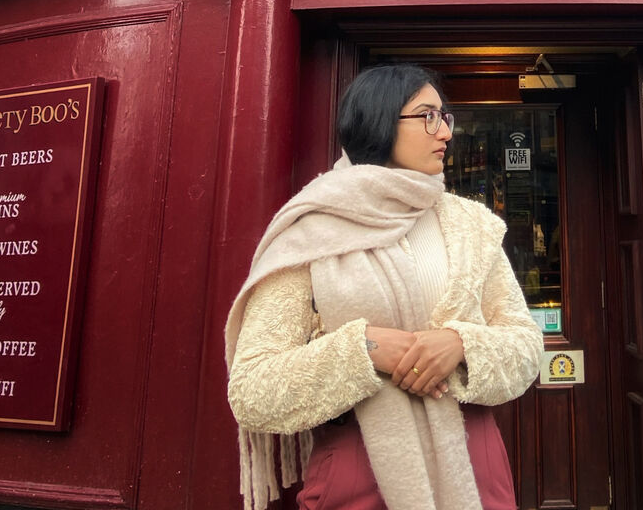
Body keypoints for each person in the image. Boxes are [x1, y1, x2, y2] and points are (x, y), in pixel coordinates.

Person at [224, 64, 542, 510]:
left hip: (474, 473)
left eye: (445, 117)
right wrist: (364, 349)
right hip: (358, 477)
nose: (445, 132)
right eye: (428, 115)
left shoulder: (470, 226)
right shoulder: (312, 230)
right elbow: (253, 388)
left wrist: (461, 345)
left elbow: (527, 346)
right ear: (378, 120)